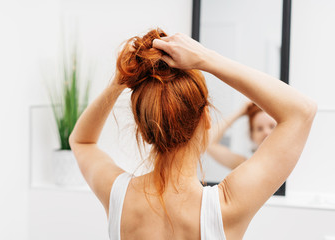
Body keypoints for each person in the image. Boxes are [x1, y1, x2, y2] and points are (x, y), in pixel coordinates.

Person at [68, 28, 317, 239]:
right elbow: (301, 111)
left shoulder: (117, 195)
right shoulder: (225, 208)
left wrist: (120, 81)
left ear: (144, 132)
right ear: (206, 119)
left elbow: (81, 141)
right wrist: (205, 58)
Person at [207, 101, 277, 170]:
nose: (266, 132)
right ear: (252, 135)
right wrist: (239, 113)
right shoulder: (246, 164)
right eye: (259, 129)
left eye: (272, 126)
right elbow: (208, 143)